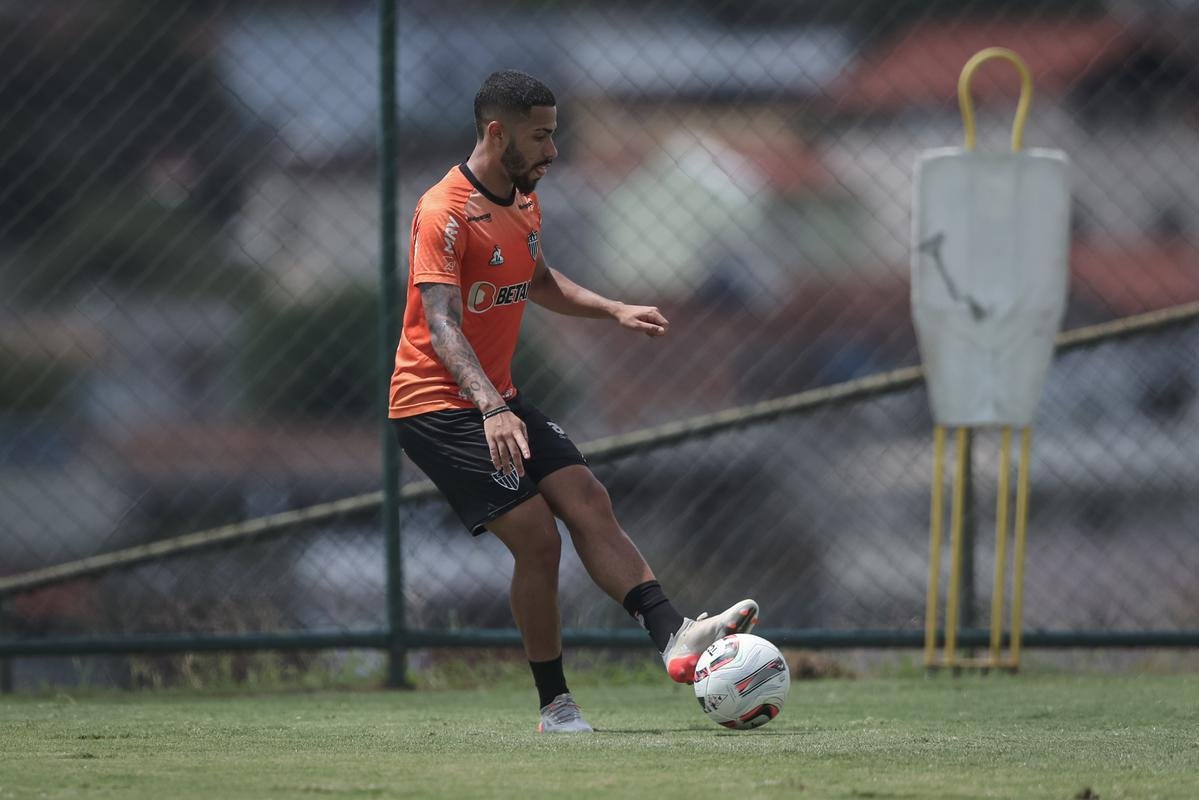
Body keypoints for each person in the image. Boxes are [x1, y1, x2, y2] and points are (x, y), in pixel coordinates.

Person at [389, 70, 758, 733]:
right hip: (435, 408)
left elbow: (535, 279)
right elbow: (441, 325)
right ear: (496, 132)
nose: (552, 152)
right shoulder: (442, 210)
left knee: (586, 495)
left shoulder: (524, 201)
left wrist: (611, 308)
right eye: (539, 137)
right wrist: (492, 410)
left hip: (497, 396)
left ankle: (674, 638)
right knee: (536, 539)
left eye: (554, 135)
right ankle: (555, 706)